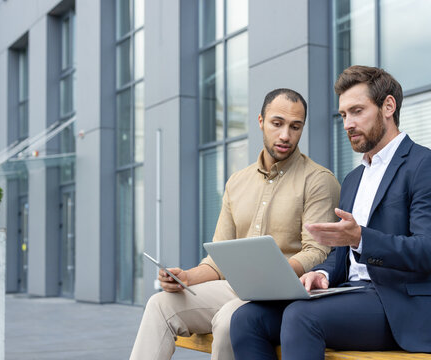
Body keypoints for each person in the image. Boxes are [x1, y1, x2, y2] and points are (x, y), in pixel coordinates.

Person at [230, 66, 431, 360]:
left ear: (388, 106)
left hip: (401, 308)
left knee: (301, 317)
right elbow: (342, 254)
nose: (348, 123)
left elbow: (429, 251)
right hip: (349, 296)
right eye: (343, 115)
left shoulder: (428, 165)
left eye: (357, 111)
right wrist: (322, 273)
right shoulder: (353, 179)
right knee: (247, 319)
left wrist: (362, 238)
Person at [129, 88, 341, 360]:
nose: (286, 135)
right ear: (261, 121)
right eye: (277, 124)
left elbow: (318, 252)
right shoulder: (237, 182)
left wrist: (271, 274)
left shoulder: (318, 180)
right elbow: (219, 256)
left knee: (229, 319)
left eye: (295, 127)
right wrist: (186, 278)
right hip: (235, 287)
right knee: (160, 303)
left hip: (283, 297)